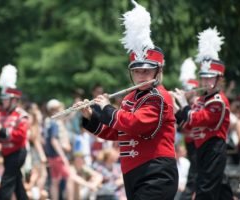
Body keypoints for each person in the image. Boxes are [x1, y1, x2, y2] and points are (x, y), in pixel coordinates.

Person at [74, 3, 178, 199]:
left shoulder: (159, 97)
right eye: (137, 71)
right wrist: (91, 117)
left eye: (146, 71)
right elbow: (117, 132)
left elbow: (135, 124)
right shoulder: (130, 98)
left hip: (156, 172)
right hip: (133, 173)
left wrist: (106, 109)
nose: (141, 76)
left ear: (158, 71)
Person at [172, 27, 233, 200]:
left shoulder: (218, 102)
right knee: (219, 190)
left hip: (214, 148)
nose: (206, 82)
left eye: (210, 78)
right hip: (202, 149)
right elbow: (186, 123)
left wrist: (184, 104)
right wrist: (174, 106)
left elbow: (196, 119)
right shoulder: (201, 100)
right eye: (204, 77)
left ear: (219, 79)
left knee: (204, 192)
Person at [0, 87, 29, 200]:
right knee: (17, 183)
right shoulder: (1, 114)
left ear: (14, 100)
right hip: (6, 153)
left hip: (18, 152)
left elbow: (21, 136)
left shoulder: (21, 115)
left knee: (6, 182)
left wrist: (5, 133)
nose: (3, 102)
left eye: (6, 99)